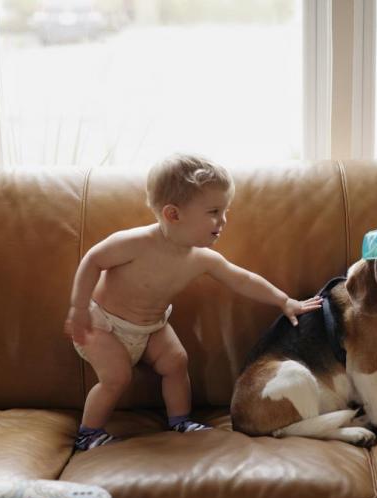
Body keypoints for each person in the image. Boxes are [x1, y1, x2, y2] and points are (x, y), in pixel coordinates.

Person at [63, 154, 322, 450]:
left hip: (152, 327)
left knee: (176, 362)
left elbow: (242, 279)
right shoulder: (134, 243)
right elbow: (92, 260)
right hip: (103, 324)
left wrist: (284, 301)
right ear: (173, 214)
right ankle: (89, 432)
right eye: (214, 211)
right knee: (117, 378)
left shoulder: (201, 259)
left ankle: (180, 420)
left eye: (225, 211)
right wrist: (79, 308)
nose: (223, 220)